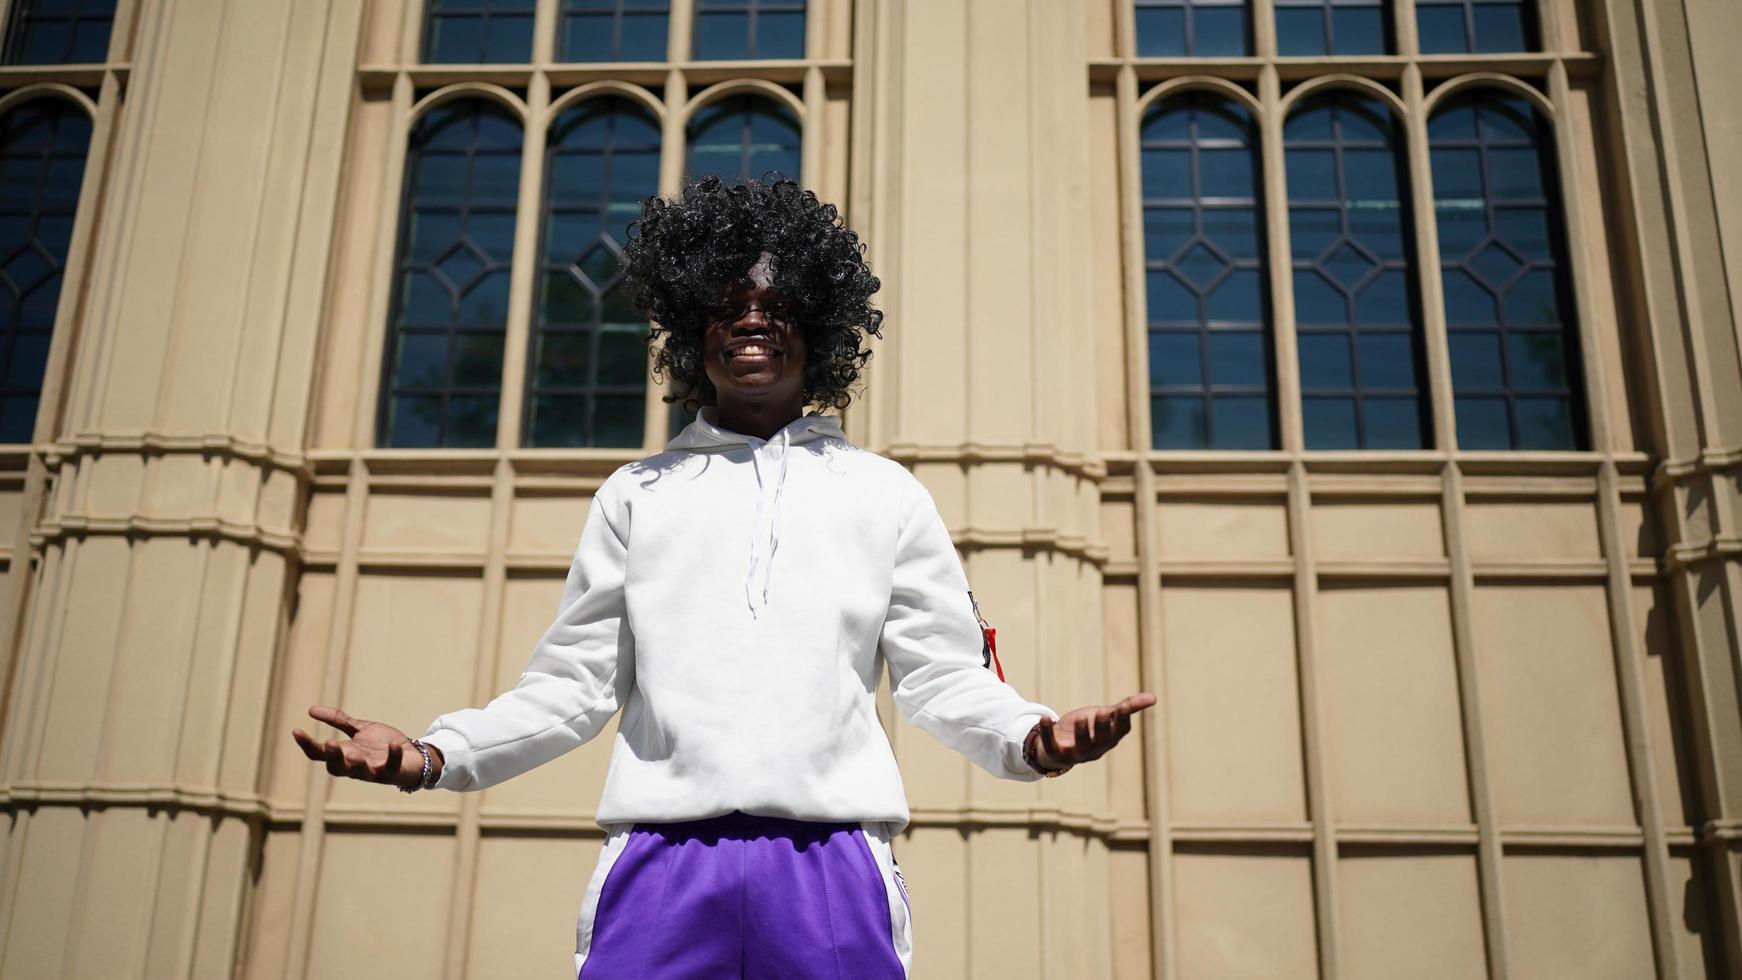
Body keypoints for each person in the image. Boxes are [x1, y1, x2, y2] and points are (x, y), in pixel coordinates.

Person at [293, 175, 1155, 978]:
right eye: (727, 307)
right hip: (660, 866)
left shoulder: (886, 494)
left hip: (833, 867)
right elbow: (573, 687)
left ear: (819, 332)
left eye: (778, 307)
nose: (753, 322)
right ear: (687, 332)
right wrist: (437, 753)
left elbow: (942, 676)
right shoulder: (635, 495)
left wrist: (1033, 737)